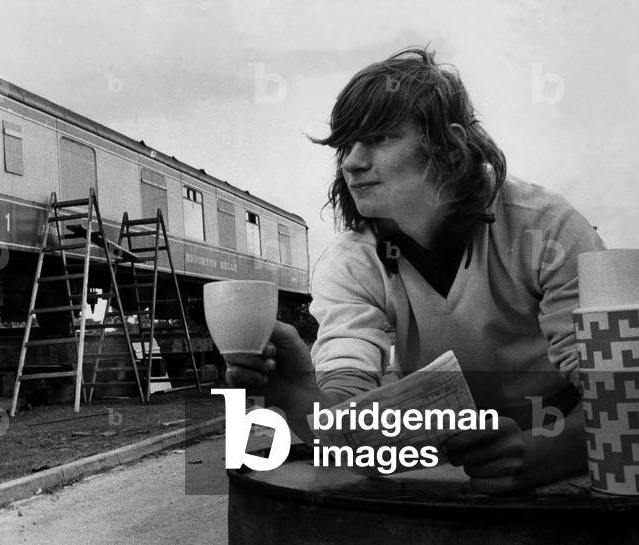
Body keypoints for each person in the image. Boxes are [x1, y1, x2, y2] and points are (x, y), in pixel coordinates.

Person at [225, 47, 605, 495]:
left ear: (450, 147)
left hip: (572, 461)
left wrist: (541, 454)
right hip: (444, 468)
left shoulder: (545, 227)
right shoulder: (351, 261)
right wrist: (303, 397)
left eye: (381, 137)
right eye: (346, 144)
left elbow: (622, 395)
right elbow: (350, 406)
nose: (351, 162)